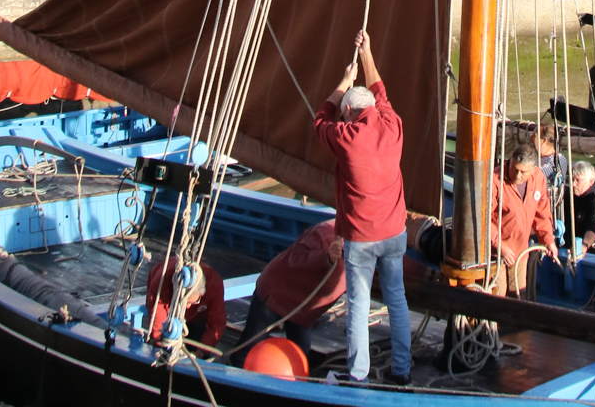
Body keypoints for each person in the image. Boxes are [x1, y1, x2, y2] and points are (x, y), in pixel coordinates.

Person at [314, 29, 411, 385]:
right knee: (397, 300)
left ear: (350, 113)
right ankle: (402, 370)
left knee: (358, 306)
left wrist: (342, 82)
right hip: (395, 233)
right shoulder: (393, 126)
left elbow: (320, 120)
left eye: (344, 114)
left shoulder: (346, 137)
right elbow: (381, 94)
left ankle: (358, 375)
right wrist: (368, 55)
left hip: (362, 238)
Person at [232, 219, 345, 365]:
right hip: (276, 295)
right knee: (250, 346)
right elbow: (296, 257)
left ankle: (297, 383)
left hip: (304, 311)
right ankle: (233, 373)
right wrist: (326, 258)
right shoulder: (324, 233)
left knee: (301, 357)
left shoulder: (368, 252)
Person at [489, 143, 559, 295]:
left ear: (533, 170)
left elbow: (542, 213)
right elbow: (484, 219)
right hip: (496, 253)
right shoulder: (495, 180)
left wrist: (548, 240)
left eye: (523, 172)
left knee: (518, 296)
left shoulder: (538, 178)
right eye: (514, 168)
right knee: (497, 295)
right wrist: (499, 245)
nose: (517, 175)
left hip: (520, 252)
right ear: (510, 161)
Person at [145, 253, 226, 348]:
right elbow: (157, 321)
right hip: (168, 310)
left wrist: (202, 350)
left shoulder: (214, 286)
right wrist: (161, 344)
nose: (187, 307)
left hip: (196, 317)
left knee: (198, 338)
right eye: (185, 301)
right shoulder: (160, 284)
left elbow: (217, 323)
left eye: (192, 302)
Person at [570, 161, 595, 256]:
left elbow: (594, 226)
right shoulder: (569, 197)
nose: (573, 184)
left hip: (592, 252)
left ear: (591, 181)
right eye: (572, 180)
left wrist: (584, 245)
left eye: (577, 180)